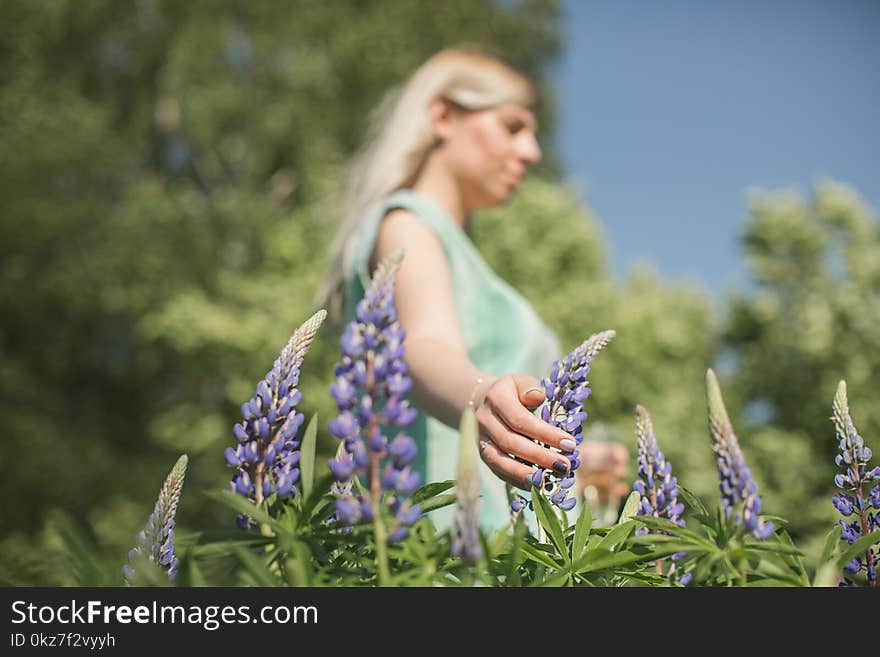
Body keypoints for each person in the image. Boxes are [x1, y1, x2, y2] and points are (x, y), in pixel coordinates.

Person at [317, 47, 627, 531]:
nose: (532, 151)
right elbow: (423, 346)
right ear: (442, 116)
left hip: (502, 546)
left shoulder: (464, 257)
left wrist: (565, 460)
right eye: (512, 127)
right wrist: (482, 396)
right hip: (437, 548)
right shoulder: (409, 224)